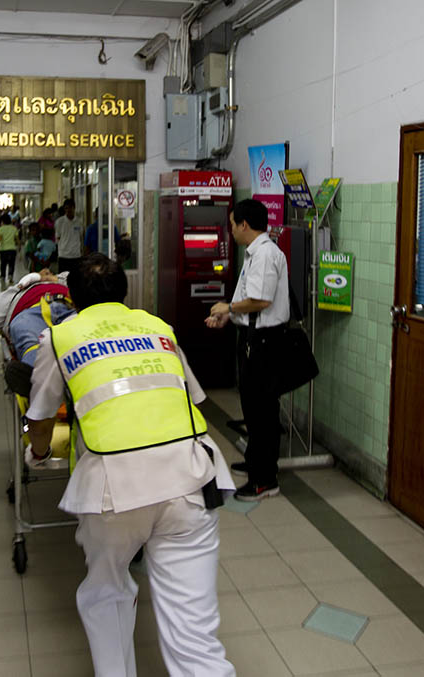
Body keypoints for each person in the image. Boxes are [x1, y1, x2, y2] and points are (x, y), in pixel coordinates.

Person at [25, 253, 236, 677]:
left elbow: (40, 417)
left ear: (72, 297)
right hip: (190, 480)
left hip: (114, 491)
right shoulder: (158, 328)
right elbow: (192, 399)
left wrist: (41, 452)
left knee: (107, 593)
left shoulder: (61, 338)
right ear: (125, 293)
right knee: (195, 635)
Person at [205, 198, 289, 501]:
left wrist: (228, 306)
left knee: (264, 411)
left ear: (244, 224)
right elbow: (250, 300)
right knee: (253, 409)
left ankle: (265, 479)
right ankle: (256, 463)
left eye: (232, 224)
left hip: (265, 342)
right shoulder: (255, 253)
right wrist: (229, 315)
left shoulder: (265, 254)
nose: (230, 231)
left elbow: (261, 300)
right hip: (254, 337)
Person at [54, 198, 83, 273]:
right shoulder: (59, 222)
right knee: (63, 280)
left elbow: (81, 236)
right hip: (64, 256)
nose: (69, 210)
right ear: (64, 209)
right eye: (66, 208)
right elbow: (58, 238)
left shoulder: (79, 222)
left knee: (76, 279)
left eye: (71, 207)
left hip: (76, 255)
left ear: (74, 208)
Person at [0, 213, 19, 282]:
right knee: (11, 263)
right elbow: (17, 239)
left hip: (3, 249)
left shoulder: (1, 229)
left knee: (3, 263)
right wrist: (19, 246)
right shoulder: (14, 228)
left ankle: (3, 275)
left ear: (2, 221)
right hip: (12, 249)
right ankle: (10, 276)